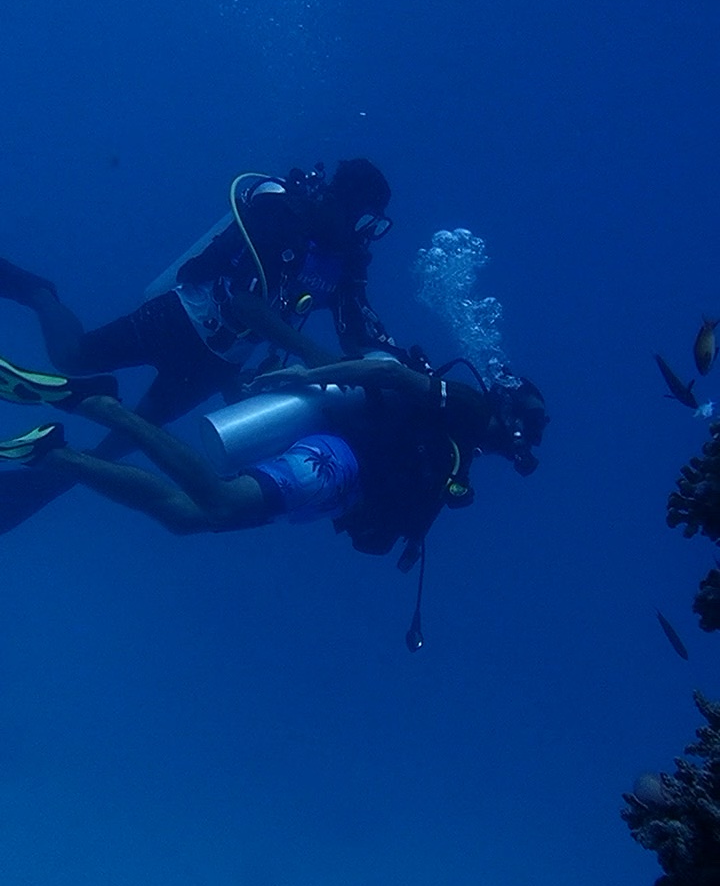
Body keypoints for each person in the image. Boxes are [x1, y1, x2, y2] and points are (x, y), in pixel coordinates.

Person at [0, 350, 548, 644]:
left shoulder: (466, 441)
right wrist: (310, 374)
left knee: (191, 518)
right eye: (531, 427)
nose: (524, 445)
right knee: (219, 502)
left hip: (340, 486)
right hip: (339, 461)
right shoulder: (472, 408)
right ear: (513, 414)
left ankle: (55, 454)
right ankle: (102, 406)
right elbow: (389, 373)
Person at [0, 158, 397, 530]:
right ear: (341, 201)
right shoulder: (283, 215)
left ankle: (32, 485)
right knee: (72, 357)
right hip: (177, 318)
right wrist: (312, 353)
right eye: (365, 221)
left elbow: (357, 331)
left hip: (219, 363)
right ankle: (38, 293)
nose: (365, 235)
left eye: (374, 227)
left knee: (123, 444)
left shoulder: (347, 263)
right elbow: (244, 302)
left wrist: (392, 364)